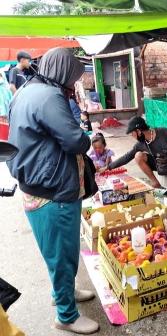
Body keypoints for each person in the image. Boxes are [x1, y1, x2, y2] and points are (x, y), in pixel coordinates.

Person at [7, 48, 99, 334]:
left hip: (38, 185)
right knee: (61, 253)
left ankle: (65, 293)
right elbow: (74, 141)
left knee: (58, 251)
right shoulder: (49, 96)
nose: (75, 85)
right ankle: (66, 315)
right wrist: (88, 137)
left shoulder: (28, 89)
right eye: (73, 77)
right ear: (62, 72)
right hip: (53, 189)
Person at [108, 116, 167, 188]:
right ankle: (155, 182)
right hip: (161, 166)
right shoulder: (141, 144)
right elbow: (127, 157)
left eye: (132, 133)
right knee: (138, 156)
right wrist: (109, 167)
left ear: (139, 131)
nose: (132, 136)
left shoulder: (163, 132)